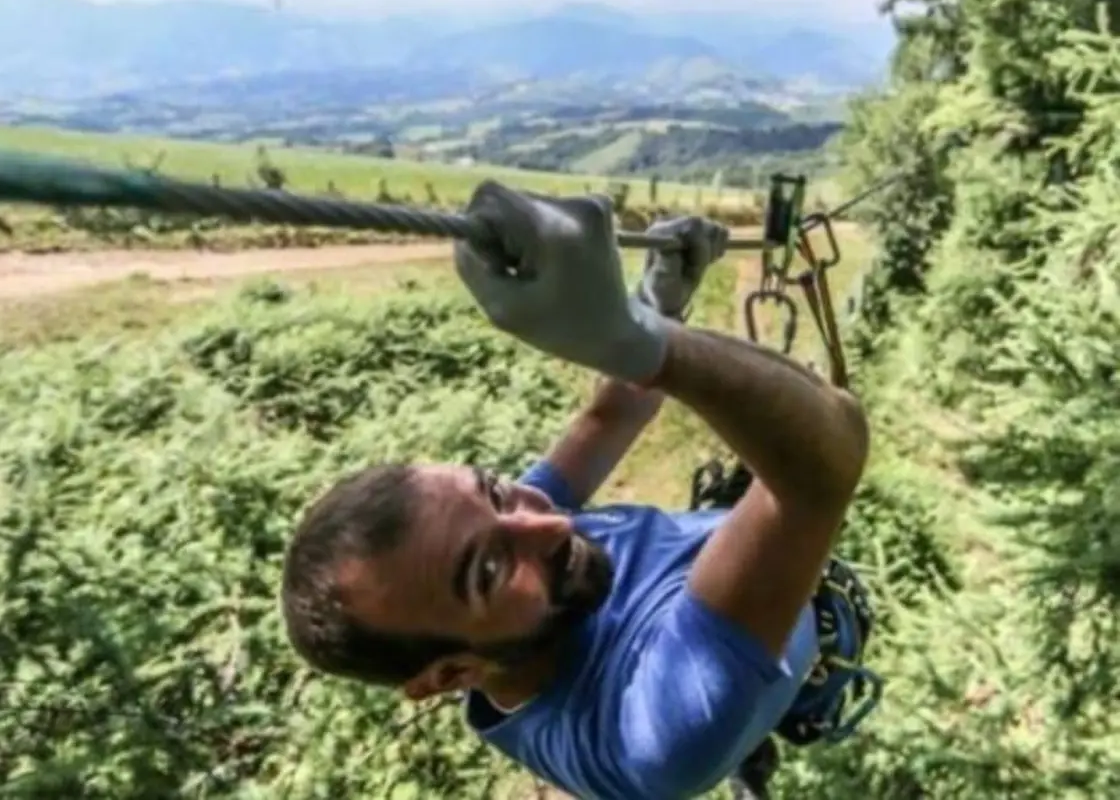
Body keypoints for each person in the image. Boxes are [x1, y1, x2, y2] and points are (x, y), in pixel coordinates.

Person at [280, 183, 873, 800]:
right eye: (487, 569)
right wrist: (636, 341)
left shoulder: (513, 545)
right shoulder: (655, 733)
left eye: (494, 489)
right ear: (453, 672)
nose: (554, 523)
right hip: (781, 621)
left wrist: (656, 303)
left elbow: (607, 421)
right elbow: (824, 467)